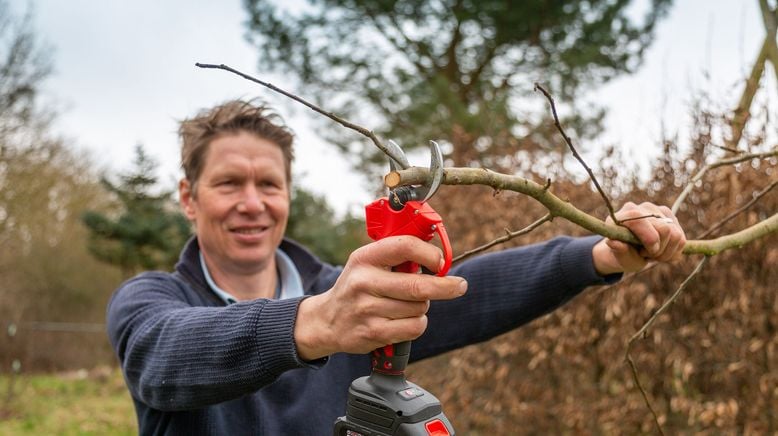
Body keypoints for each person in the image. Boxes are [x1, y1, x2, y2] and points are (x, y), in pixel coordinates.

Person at [106, 99, 686, 435]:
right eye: (229, 183)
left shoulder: (345, 294)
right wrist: (314, 324)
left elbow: (471, 292)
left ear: (288, 194)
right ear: (189, 198)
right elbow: (163, 354)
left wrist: (597, 255)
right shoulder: (151, 301)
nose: (253, 203)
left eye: (269, 184)